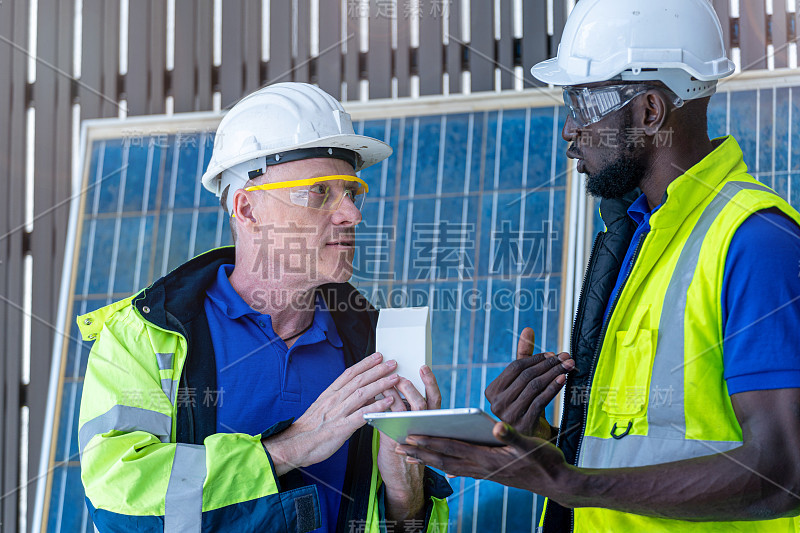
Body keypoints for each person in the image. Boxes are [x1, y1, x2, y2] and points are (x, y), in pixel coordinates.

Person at [398, 0, 800, 531]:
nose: (568, 131)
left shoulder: (755, 242)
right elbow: (635, 452)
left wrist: (569, 484)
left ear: (649, 111)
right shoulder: (637, 239)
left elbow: (784, 473)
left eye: (581, 104)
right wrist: (542, 440)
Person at [77, 82, 451, 533]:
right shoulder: (147, 334)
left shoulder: (378, 348)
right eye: (319, 193)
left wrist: (406, 497)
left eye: (352, 192)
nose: (352, 214)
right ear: (247, 209)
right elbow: (120, 502)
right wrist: (289, 448)